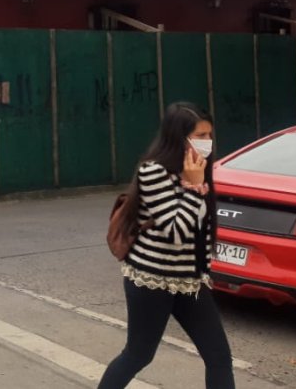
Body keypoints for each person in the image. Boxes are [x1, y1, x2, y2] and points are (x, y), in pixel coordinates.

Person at [98, 102, 233, 389]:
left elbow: (201, 231)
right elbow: (176, 232)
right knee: (138, 355)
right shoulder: (154, 172)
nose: (207, 143)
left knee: (219, 355)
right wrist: (195, 189)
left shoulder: (199, 170)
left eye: (210, 135)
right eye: (200, 136)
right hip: (153, 280)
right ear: (178, 137)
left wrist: (202, 272)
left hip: (190, 281)